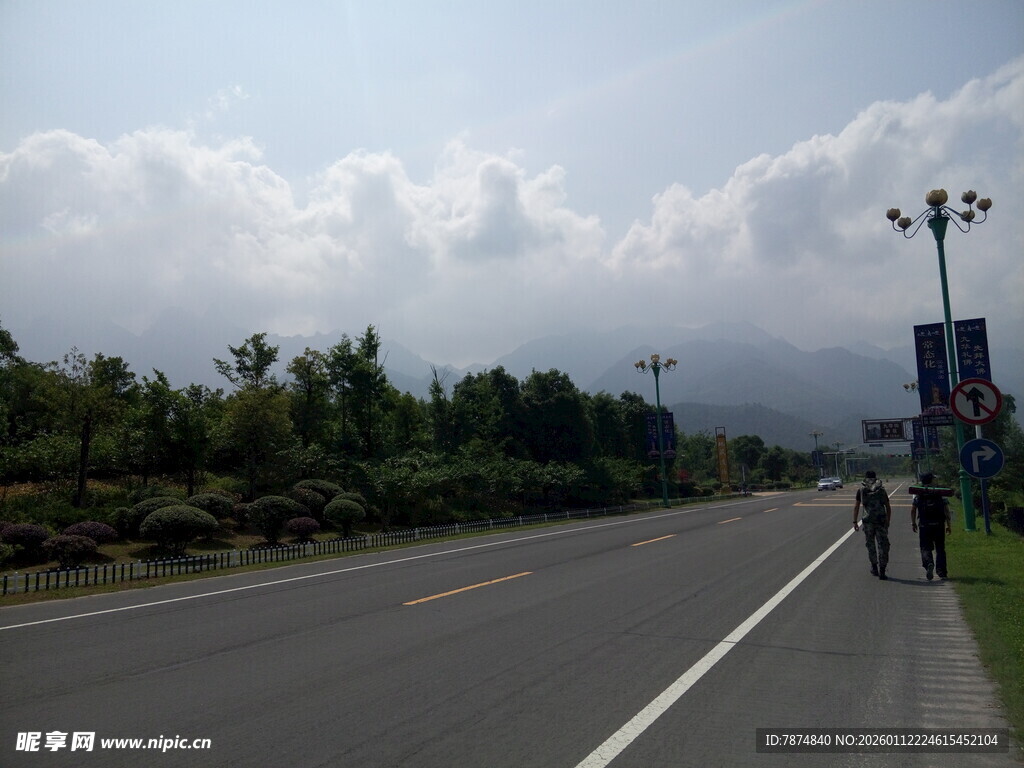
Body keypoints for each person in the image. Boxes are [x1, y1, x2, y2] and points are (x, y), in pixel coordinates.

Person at [911, 472, 952, 580]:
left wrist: (913, 523)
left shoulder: (919, 493)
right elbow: (946, 511)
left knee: (925, 547)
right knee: (940, 548)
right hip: (939, 525)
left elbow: (913, 510)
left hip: (924, 525)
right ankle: (942, 572)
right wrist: (948, 525)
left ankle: (929, 563)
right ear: (931, 480)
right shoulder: (939, 492)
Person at [853, 470, 892, 579]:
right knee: (883, 545)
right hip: (881, 521)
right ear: (875, 478)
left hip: (868, 522)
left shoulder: (861, 490)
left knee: (870, 545)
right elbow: (888, 507)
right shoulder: (881, 490)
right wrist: (888, 521)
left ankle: (874, 567)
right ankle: (882, 570)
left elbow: (856, 507)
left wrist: (855, 522)